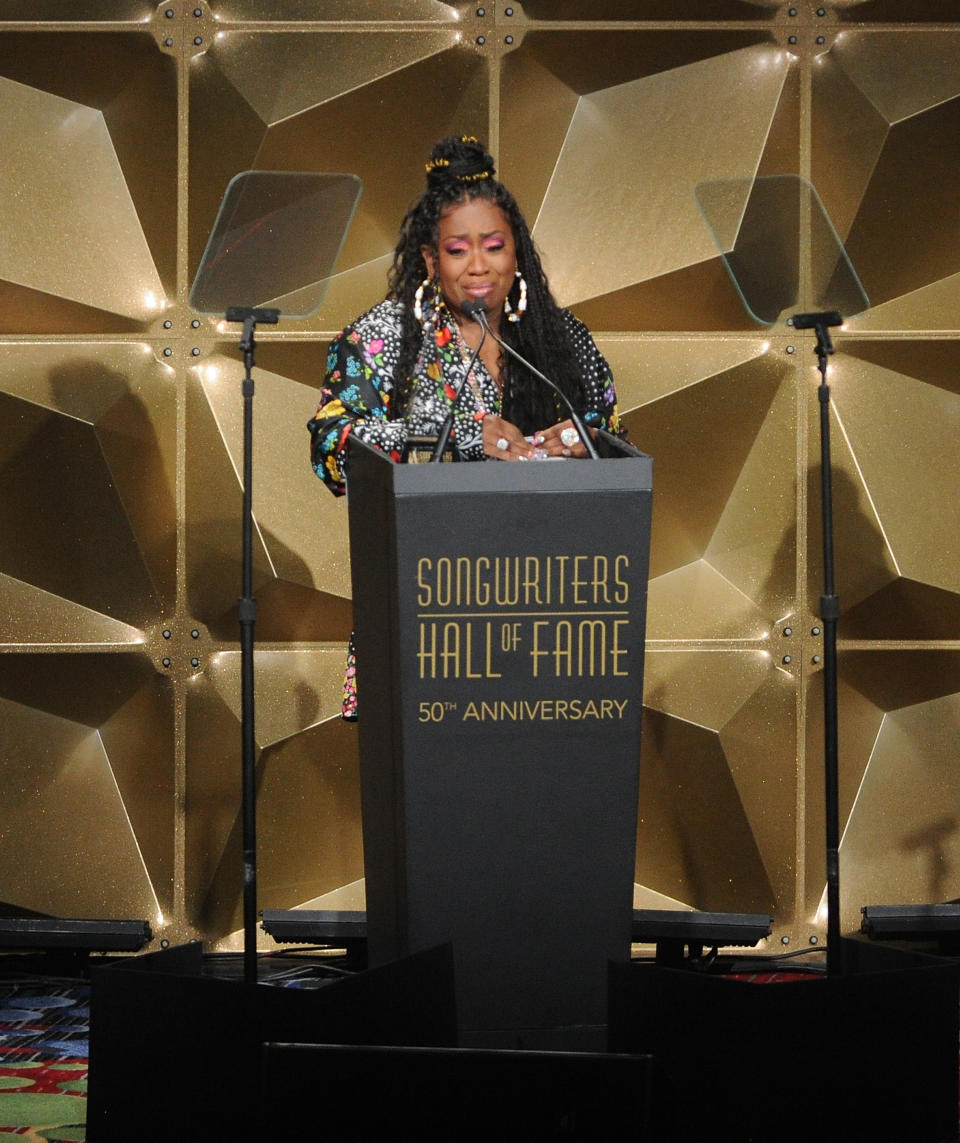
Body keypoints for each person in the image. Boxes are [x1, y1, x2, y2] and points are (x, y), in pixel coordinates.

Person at [308, 135, 626, 717]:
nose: (478, 266)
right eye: (457, 250)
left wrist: (585, 442)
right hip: (426, 615)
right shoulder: (382, 339)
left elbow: (613, 436)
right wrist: (448, 437)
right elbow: (332, 448)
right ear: (431, 260)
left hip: (546, 616)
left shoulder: (562, 341)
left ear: (517, 254)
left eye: (494, 247)